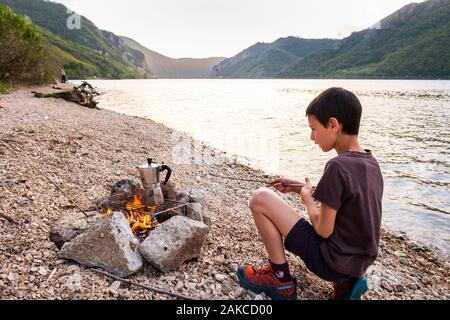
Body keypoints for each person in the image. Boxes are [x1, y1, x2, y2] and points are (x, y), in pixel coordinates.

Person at [236, 87, 384, 300]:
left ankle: (279, 280)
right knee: (272, 199)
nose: (311, 137)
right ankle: (348, 282)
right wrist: (299, 187)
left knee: (259, 198)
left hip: (330, 263)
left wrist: (307, 199)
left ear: (333, 125)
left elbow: (323, 230)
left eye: (313, 128)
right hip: (358, 263)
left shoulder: (337, 166)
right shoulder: (371, 163)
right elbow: (349, 201)